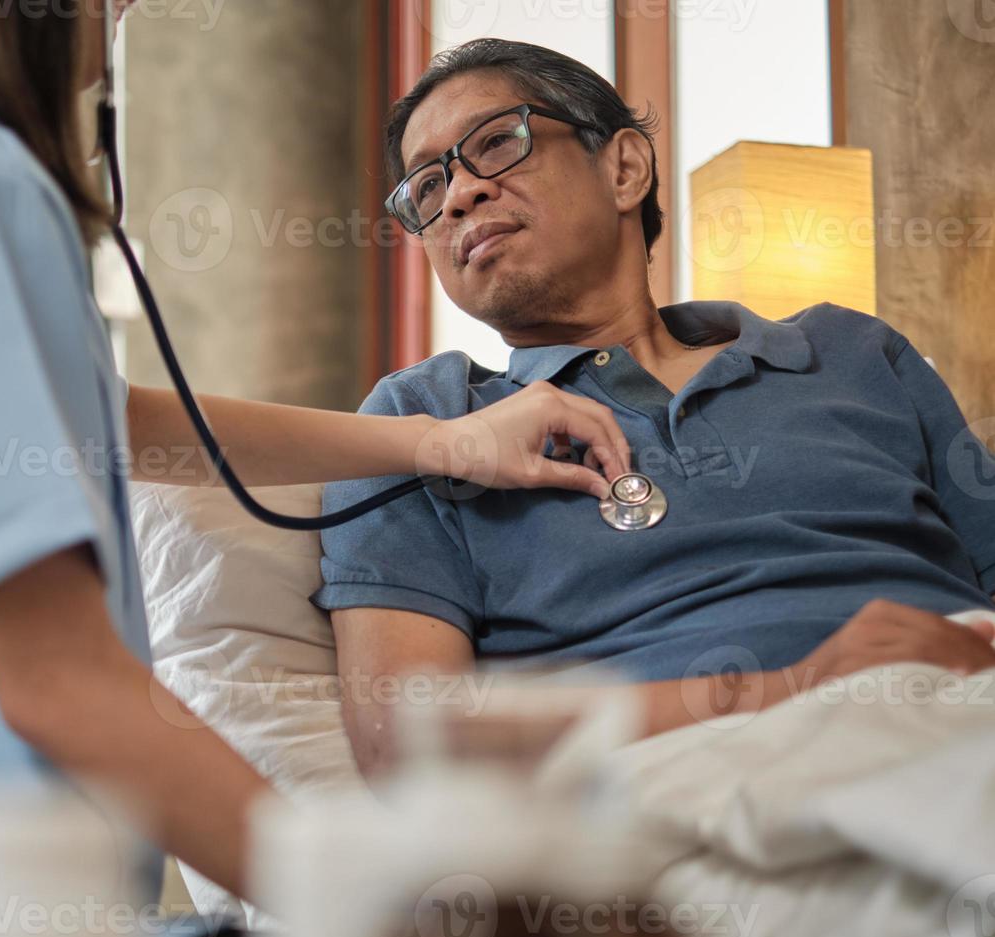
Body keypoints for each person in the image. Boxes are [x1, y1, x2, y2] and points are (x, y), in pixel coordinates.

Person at [0, 6, 635, 933]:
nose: (109, 26)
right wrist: (383, 921)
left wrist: (441, 442)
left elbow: (98, 420)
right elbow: (59, 680)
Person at [314, 39, 995, 776]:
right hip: (697, 790)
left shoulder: (853, 353)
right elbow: (409, 744)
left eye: (496, 144)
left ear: (624, 168)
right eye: (426, 187)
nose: (457, 195)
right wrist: (807, 689)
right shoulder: (418, 421)